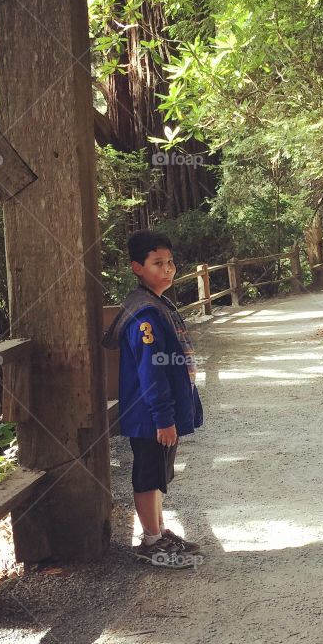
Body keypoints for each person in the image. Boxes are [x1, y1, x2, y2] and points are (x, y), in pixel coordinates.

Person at [102, 230, 204, 568]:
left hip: (160, 413)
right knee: (148, 474)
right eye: (158, 263)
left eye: (170, 262)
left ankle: (158, 531)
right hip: (149, 414)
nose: (168, 269)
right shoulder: (145, 315)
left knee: (160, 472)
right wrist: (163, 417)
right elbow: (151, 369)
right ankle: (150, 541)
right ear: (137, 268)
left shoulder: (158, 303)